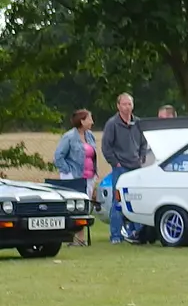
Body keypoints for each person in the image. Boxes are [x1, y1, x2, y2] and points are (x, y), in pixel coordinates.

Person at [100, 93, 149, 244]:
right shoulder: (112, 124)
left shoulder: (138, 123)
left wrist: (141, 158)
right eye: (124, 104)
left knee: (137, 200)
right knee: (118, 201)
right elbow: (106, 147)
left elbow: (143, 143)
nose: (127, 107)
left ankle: (138, 233)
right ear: (118, 106)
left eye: (129, 104)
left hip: (136, 167)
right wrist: (116, 163)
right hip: (121, 168)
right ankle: (116, 235)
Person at [54, 110, 97, 246]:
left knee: (85, 207)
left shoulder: (90, 136)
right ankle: (73, 238)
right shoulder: (69, 137)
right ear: (82, 121)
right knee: (74, 207)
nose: (92, 122)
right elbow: (58, 156)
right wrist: (68, 172)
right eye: (89, 119)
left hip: (89, 177)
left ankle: (80, 238)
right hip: (74, 177)